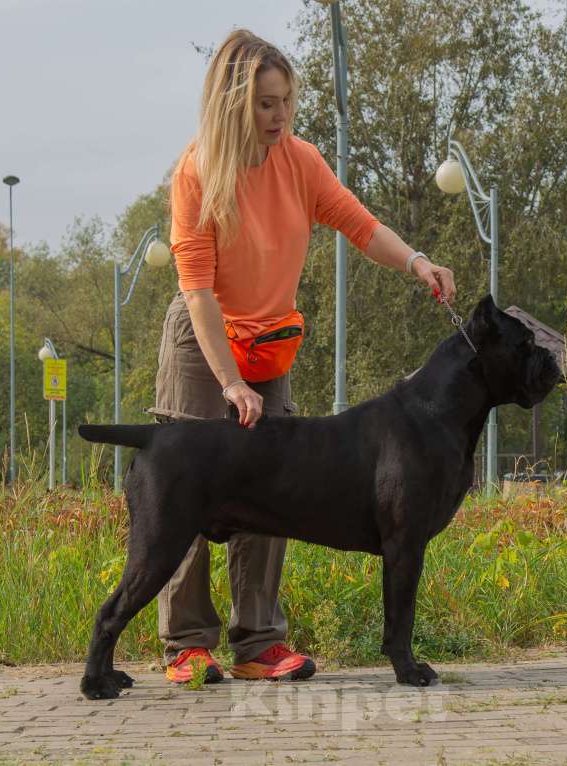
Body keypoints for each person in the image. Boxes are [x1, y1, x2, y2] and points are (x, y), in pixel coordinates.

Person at [150, 29, 457, 685]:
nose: (279, 115)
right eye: (265, 103)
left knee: (276, 488)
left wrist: (416, 261)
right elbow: (197, 291)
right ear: (233, 104)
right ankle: (186, 643)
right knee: (189, 485)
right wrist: (229, 383)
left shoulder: (301, 161)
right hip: (202, 343)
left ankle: (259, 642)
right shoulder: (197, 172)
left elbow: (360, 224)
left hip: (270, 341)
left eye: (286, 100)